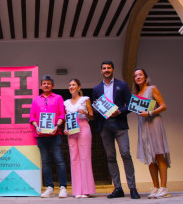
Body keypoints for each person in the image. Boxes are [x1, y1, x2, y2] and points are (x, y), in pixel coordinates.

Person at [92, 61, 140, 199]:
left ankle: (132, 188)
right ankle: (117, 188)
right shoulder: (96, 89)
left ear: (113, 69)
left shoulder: (122, 85)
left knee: (126, 154)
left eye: (109, 68)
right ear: (101, 71)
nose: (106, 70)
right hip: (105, 126)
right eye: (104, 68)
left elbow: (130, 104)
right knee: (111, 157)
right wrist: (95, 108)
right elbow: (95, 109)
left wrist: (119, 111)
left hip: (119, 125)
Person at [133, 69, 170, 198]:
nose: (138, 77)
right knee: (149, 157)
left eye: (140, 75)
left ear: (145, 77)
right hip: (143, 125)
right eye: (136, 76)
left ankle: (164, 187)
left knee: (159, 153)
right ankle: (155, 186)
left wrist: (149, 112)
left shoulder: (152, 89)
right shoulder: (137, 94)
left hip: (154, 122)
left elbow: (163, 106)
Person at [29, 75, 68, 198]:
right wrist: (36, 126)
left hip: (55, 134)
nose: (46, 85)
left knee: (59, 160)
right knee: (45, 162)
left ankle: (63, 187)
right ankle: (49, 187)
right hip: (40, 135)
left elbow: (62, 114)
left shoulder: (58, 98)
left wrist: (57, 126)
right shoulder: (36, 100)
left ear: (53, 86)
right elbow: (32, 117)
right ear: (41, 86)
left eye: (49, 83)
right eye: (44, 83)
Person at [63, 79, 95, 198]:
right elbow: (67, 118)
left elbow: (92, 117)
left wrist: (85, 112)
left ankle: (86, 190)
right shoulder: (66, 102)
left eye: (74, 85)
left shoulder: (85, 99)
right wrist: (66, 128)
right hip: (72, 129)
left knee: (85, 157)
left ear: (79, 87)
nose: (71, 87)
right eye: (70, 85)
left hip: (83, 126)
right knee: (74, 158)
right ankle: (77, 190)